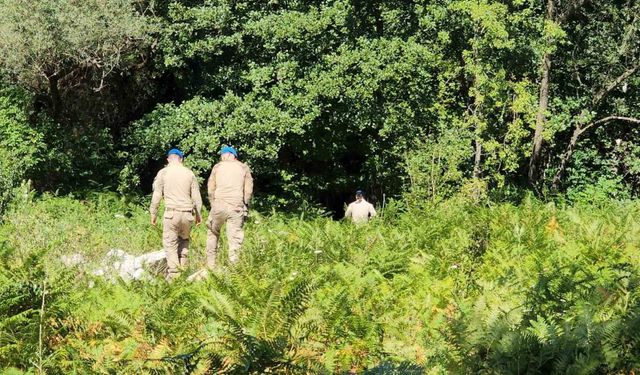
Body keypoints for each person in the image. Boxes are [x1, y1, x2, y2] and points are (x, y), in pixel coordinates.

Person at [149, 148, 202, 280]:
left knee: (170, 244)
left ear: (168, 159)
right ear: (181, 159)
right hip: (187, 215)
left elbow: (156, 195)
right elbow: (196, 197)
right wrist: (198, 215)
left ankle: (174, 276)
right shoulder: (189, 173)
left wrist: (153, 213)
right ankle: (183, 270)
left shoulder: (163, 173)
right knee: (184, 240)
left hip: (171, 214)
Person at [206, 145, 253, 269]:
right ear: (234, 156)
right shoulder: (243, 167)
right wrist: (246, 205)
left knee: (212, 233)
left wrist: (213, 204)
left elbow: (210, 189)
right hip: (236, 207)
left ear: (224, 155)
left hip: (218, 205)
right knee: (235, 240)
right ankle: (234, 270)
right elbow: (248, 191)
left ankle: (211, 266)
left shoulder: (217, 167)